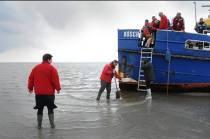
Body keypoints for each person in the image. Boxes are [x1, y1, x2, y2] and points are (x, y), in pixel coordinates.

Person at [28, 54, 61, 129]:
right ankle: (52, 125)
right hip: (49, 94)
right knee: (50, 109)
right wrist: (58, 88)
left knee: (40, 109)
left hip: (39, 94)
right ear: (48, 59)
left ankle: (39, 126)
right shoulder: (52, 68)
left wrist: (30, 88)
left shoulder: (35, 68)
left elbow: (31, 79)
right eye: (51, 59)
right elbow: (55, 80)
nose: (52, 61)